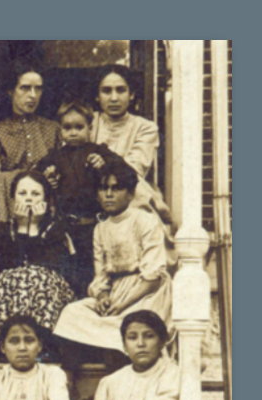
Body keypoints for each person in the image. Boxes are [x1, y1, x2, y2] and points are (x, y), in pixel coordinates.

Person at [52, 164, 173, 369]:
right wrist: (102, 297)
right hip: (116, 291)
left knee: (130, 324)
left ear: (130, 193)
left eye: (116, 189)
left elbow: (153, 277)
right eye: (102, 189)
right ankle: (70, 381)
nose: (108, 194)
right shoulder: (101, 228)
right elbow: (101, 274)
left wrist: (122, 305)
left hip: (146, 293)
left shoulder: (145, 221)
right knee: (71, 313)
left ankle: (118, 374)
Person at [36, 102, 135, 294]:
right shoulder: (55, 157)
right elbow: (35, 177)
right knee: (66, 273)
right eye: (67, 128)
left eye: (79, 127)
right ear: (60, 130)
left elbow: (128, 175)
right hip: (63, 228)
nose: (73, 133)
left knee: (93, 272)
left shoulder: (98, 152)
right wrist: (47, 178)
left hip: (93, 227)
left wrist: (104, 166)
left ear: (90, 128)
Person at [0, 170, 78, 356]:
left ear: (47, 200)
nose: (29, 199)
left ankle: (43, 344)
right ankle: (9, 344)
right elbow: (11, 266)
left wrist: (35, 228)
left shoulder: (57, 228)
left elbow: (47, 267)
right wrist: (22, 227)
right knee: (10, 278)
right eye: (22, 194)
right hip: (17, 289)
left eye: (35, 194)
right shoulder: (6, 230)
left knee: (37, 275)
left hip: (52, 289)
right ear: (12, 199)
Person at [89, 64, 173, 222]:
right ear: (97, 96)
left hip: (130, 199)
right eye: (106, 91)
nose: (114, 98)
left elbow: (132, 169)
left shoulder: (146, 128)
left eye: (121, 90)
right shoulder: (87, 123)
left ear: (132, 94)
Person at [0, 65, 61, 225]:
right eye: (25, 88)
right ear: (11, 90)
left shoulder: (52, 128)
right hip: (9, 203)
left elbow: (62, 164)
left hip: (46, 202)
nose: (33, 95)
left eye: (38, 89)